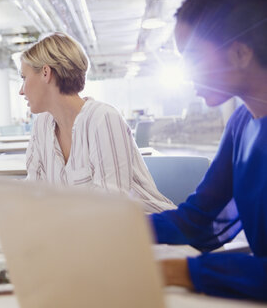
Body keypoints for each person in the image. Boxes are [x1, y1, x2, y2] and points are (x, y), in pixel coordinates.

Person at [150, 0, 267, 301]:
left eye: (193, 57)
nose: (187, 74)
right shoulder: (242, 123)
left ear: (241, 53)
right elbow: (199, 220)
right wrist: (113, 226)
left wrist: (179, 271)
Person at [19, 33, 176, 213]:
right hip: (82, 230)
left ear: (46, 73)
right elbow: (35, 191)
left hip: (149, 230)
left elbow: (111, 206)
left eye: (24, 78)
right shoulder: (42, 126)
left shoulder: (103, 120)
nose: (21, 91)